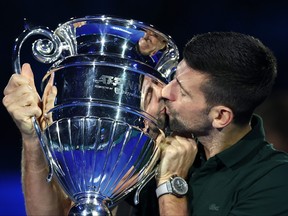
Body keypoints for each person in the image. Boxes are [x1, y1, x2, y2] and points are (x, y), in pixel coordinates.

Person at [3, 31, 288, 216]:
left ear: (220, 116)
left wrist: (170, 186)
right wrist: (32, 137)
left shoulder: (275, 182)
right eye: (175, 77)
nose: (166, 90)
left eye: (183, 91)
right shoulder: (149, 143)